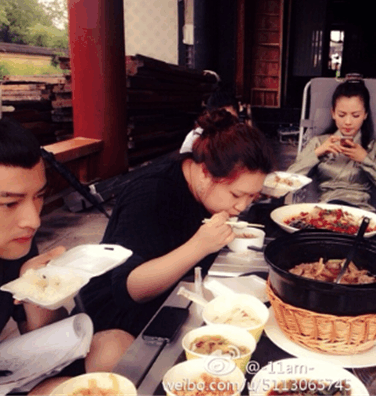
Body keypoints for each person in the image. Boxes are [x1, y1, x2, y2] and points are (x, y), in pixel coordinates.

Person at [79, 109, 275, 337]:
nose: (242, 207)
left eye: (252, 197)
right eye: (236, 195)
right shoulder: (150, 194)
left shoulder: (206, 192)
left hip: (175, 296)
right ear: (205, 173)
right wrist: (200, 245)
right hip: (115, 317)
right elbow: (130, 289)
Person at [0, 118, 134, 394]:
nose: (33, 220)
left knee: (114, 346)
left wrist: (36, 286)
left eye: (38, 196)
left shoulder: (14, 241)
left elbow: (41, 336)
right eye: (9, 203)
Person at [287, 80, 376, 210]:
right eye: (342, 115)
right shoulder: (319, 143)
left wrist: (365, 160)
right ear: (333, 113)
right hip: (326, 209)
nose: (348, 122)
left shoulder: (375, 148)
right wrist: (316, 153)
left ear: (365, 114)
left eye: (355, 115)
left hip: (362, 211)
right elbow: (287, 182)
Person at [179, 88, 244, 154]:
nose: (226, 124)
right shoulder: (196, 137)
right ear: (209, 117)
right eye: (221, 119)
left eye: (231, 120)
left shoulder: (243, 136)